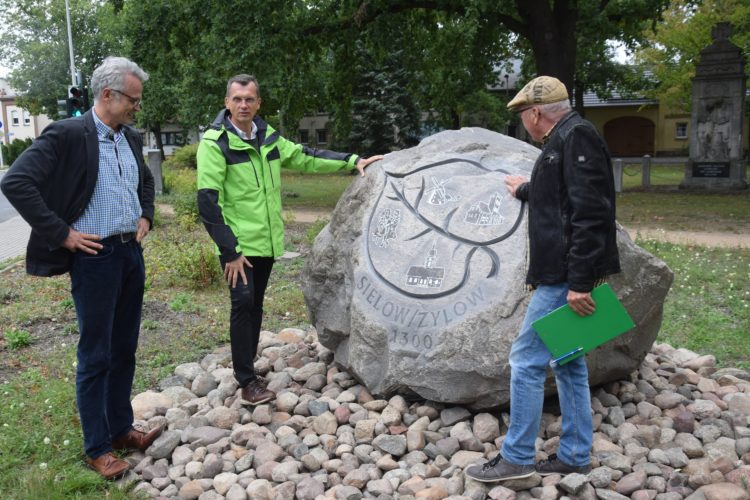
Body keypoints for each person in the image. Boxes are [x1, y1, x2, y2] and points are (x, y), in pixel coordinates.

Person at [0, 56, 162, 480]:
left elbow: (144, 181)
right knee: (96, 354)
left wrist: (146, 214)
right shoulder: (68, 133)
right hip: (95, 259)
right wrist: (62, 234)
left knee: (124, 348)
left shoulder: (128, 137)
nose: (136, 108)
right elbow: (15, 182)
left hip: (130, 255)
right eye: (133, 99)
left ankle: (121, 428)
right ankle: (97, 447)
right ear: (108, 95)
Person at [465, 76, 621, 482]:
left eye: (522, 116)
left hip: (564, 276)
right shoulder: (567, 137)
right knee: (568, 360)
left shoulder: (577, 138)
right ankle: (573, 453)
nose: (523, 124)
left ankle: (516, 457)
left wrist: (581, 283)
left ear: (535, 113)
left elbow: (591, 213)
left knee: (526, 359)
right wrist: (527, 190)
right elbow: (564, 194)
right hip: (564, 272)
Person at [197, 74, 382, 406]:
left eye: (249, 99)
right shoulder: (216, 143)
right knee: (242, 304)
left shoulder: (267, 138)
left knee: (254, 307)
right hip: (237, 247)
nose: (243, 105)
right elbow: (208, 201)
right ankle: (246, 381)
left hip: (265, 243)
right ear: (227, 102)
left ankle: (248, 371)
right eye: (237, 99)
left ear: (258, 103)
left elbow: (305, 156)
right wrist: (230, 251)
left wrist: (352, 161)